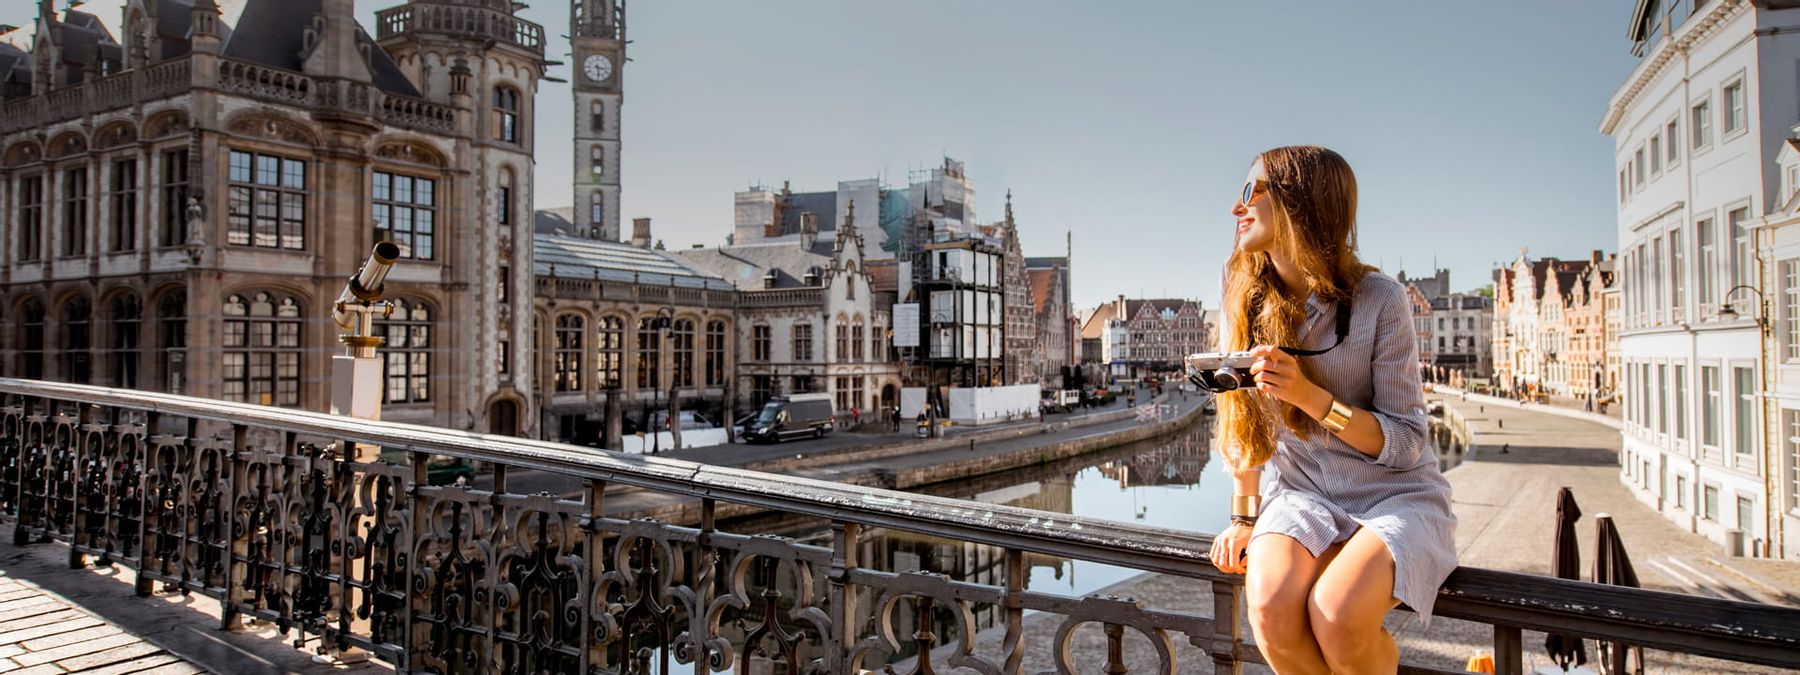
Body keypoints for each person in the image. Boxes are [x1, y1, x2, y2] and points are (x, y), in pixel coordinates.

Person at [1205, 146, 1456, 674]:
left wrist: (1310, 398)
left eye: (1252, 191)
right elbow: (1242, 424)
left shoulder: (1381, 299)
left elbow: (1408, 441)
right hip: (1301, 494)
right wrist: (1243, 517)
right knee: (1270, 607)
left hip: (1394, 494)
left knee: (1338, 615)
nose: (1237, 207)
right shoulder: (1246, 299)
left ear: (1300, 203)